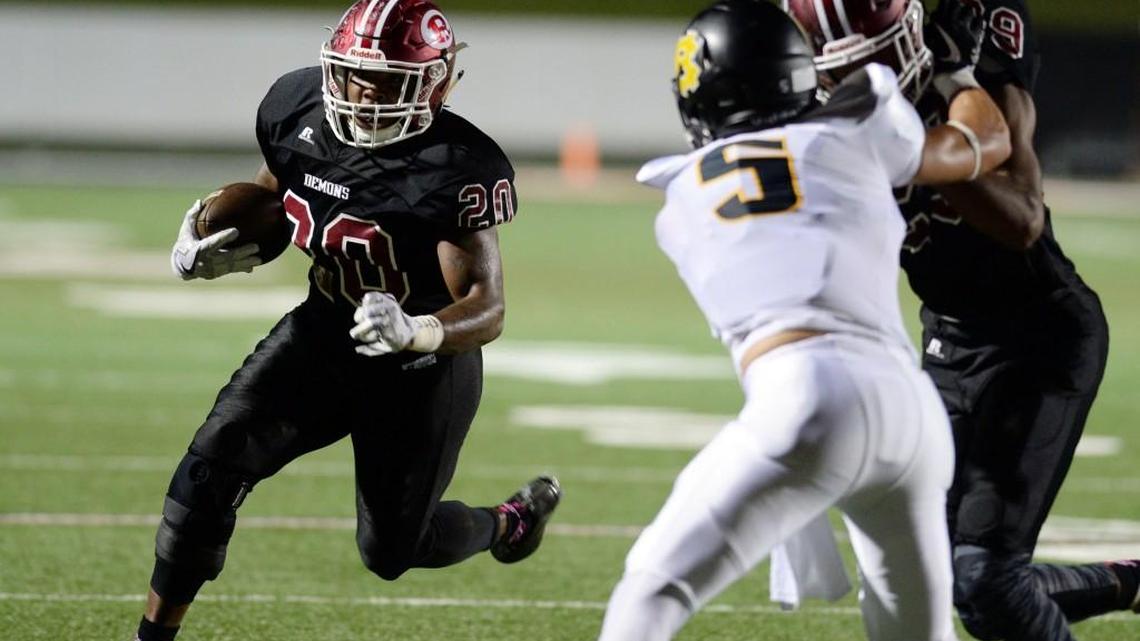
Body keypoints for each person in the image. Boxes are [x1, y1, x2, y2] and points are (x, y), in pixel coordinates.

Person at [133, 2, 561, 640]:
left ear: (434, 84)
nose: (366, 91)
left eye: (389, 78)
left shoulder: (457, 165)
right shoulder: (295, 106)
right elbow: (277, 203)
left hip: (418, 372)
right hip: (321, 335)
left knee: (392, 552)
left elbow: (485, 303)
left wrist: (419, 331)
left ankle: (507, 523)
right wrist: (209, 237)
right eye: (357, 73)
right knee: (208, 470)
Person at [596, 1, 1012, 639]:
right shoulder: (861, 128)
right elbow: (983, 142)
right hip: (913, 413)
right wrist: (955, 77)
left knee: (653, 587)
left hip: (807, 397)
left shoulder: (678, 192)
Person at [786, 0, 1140, 639]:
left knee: (984, 578)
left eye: (875, 54)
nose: (866, 73)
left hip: (1039, 335)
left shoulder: (978, 32)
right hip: (946, 342)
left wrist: (913, 143)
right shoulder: (807, 77)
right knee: (948, 575)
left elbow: (1022, 217)